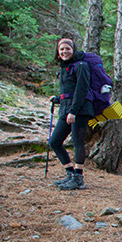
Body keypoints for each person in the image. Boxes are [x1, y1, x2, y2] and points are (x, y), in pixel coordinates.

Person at [48, 38, 93, 191]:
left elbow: (81, 90)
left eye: (67, 48)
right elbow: (69, 91)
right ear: (58, 53)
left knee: (77, 142)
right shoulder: (65, 68)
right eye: (61, 49)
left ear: (73, 50)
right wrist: (58, 99)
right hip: (67, 109)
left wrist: (73, 111)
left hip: (80, 110)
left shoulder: (81, 66)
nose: (64, 52)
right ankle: (70, 173)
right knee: (54, 141)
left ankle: (79, 178)